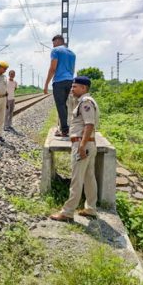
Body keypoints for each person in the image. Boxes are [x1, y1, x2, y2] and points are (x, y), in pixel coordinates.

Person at [50, 76, 99, 222]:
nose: (72, 89)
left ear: (83, 88)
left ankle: (67, 213)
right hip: (89, 144)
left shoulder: (86, 103)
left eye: (75, 87)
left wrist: (82, 146)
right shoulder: (85, 102)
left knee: (77, 180)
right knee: (89, 178)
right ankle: (91, 209)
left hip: (82, 144)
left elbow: (89, 124)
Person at [43, 34, 76, 137]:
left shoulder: (56, 51)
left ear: (58, 41)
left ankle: (64, 130)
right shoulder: (72, 53)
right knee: (65, 106)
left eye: (54, 43)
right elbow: (72, 69)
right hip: (70, 81)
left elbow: (53, 68)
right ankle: (63, 127)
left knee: (60, 106)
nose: (53, 45)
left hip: (59, 81)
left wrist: (46, 84)